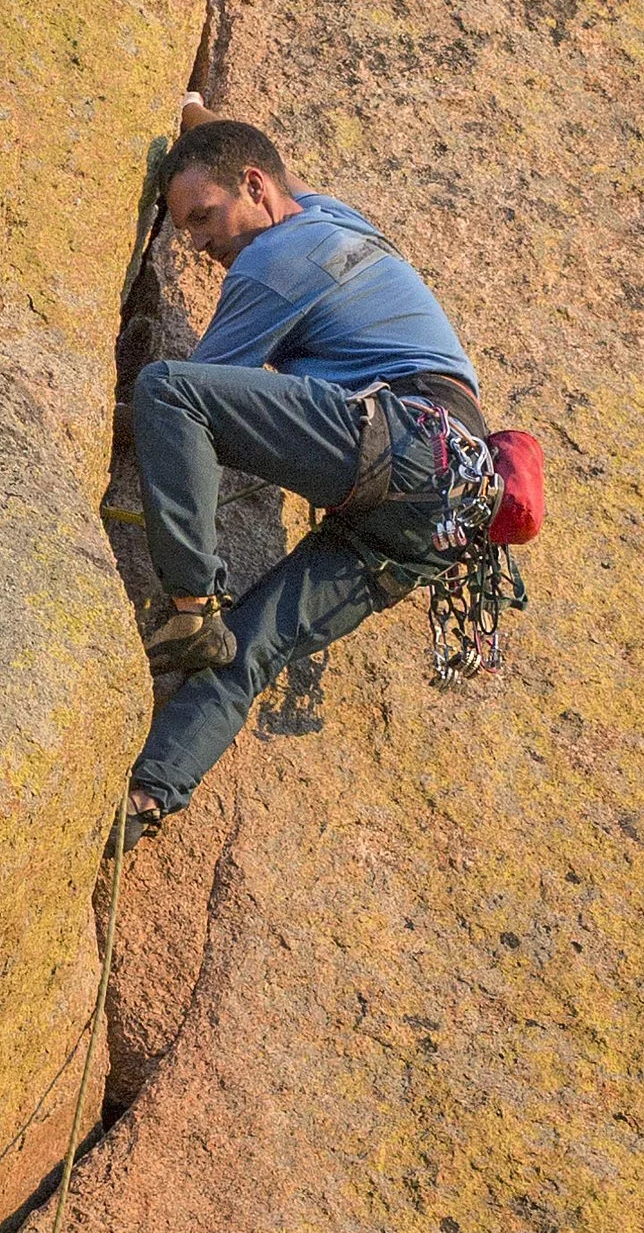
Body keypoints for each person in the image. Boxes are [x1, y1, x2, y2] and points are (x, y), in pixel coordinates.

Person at [124, 115, 493, 842]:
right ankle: (146, 800)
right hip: (448, 509)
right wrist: (197, 112)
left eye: (203, 217)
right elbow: (263, 163)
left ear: (255, 189)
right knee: (249, 646)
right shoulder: (331, 218)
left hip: (408, 443)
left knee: (167, 389)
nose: (199, 243)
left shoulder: (276, 257)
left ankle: (191, 603)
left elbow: (200, 390)